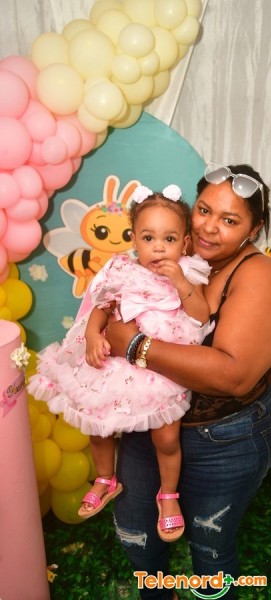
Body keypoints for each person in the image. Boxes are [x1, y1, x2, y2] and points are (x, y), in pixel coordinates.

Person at [105, 162, 271, 599]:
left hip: (224, 437)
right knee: (135, 532)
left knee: (209, 548)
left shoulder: (259, 274)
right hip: (152, 423)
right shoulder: (171, 254)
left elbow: (232, 375)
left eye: (229, 220)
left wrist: (135, 346)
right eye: (204, 211)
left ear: (253, 228)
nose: (209, 227)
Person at [28, 184, 212, 540]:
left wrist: (179, 281)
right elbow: (102, 308)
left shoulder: (190, 272)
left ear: (185, 242)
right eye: (148, 237)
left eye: (170, 238)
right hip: (117, 361)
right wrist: (93, 336)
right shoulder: (122, 270)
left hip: (159, 365)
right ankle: (105, 478)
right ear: (134, 240)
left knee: (167, 437)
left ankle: (168, 495)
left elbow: (201, 316)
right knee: (98, 423)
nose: (159, 247)